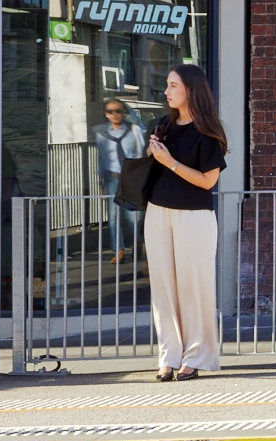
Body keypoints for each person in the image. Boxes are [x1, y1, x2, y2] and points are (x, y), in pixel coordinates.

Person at [143, 64, 227, 381]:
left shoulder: (209, 132)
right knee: (163, 290)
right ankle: (168, 356)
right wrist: (154, 156)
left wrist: (171, 162)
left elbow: (207, 182)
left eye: (172, 85)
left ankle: (196, 355)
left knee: (194, 288)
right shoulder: (163, 124)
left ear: (189, 90)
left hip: (194, 216)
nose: (166, 91)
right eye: (167, 85)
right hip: (158, 211)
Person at [92, 99, 146, 264]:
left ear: (123, 113)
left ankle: (137, 245)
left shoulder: (134, 130)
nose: (114, 114)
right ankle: (119, 250)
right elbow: (101, 158)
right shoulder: (100, 133)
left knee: (133, 217)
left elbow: (140, 152)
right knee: (114, 216)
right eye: (110, 111)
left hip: (130, 177)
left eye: (118, 111)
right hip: (111, 177)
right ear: (105, 114)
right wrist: (100, 183)